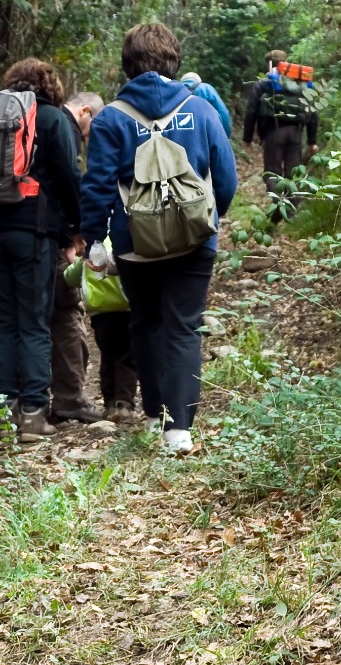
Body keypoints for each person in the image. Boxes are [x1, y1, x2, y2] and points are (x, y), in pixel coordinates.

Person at [81, 22, 237, 456]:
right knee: (184, 328)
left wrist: (95, 240)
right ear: (174, 59)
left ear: (127, 65)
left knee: (145, 324)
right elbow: (225, 178)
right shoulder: (201, 110)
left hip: (134, 241)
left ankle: (153, 415)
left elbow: (95, 186)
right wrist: (208, 220)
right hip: (193, 241)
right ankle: (179, 432)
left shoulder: (112, 118)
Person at [0, 58, 82, 439]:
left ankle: (3, 410)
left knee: (3, 322)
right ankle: (32, 415)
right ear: (50, 86)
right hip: (31, 230)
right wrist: (76, 227)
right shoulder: (51, 118)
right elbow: (70, 177)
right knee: (34, 322)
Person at [49, 92, 105, 424]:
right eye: (89, 131)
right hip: (50, 238)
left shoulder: (29, 122)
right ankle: (70, 397)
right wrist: (76, 232)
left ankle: (19, 401)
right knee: (67, 311)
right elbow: (68, 182)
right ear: (84, 111)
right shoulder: (61, 127)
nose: (86, 141)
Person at [63, 244, 137, 421]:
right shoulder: (123, 244)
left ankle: (109, 403)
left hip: (100, 311)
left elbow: (70, 278)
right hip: (126, 308)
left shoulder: (89, 249)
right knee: (126, 358)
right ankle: (124, 403)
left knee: (108, 358)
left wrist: (75, 260)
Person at [242, 49, 318, 216]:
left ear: (268, 63)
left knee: (272, 172)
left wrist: (247, 138)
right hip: (296, 132)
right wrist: (312, 140)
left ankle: (279, 210)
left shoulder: (265, 82)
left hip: (273, 132)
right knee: (293, 173)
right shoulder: (302, 83)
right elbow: (312, 112)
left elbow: (251, 110)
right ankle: (291, 213)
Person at [181, 71, 232, 137]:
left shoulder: (178, 93)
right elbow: (223, 113)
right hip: (209, 136)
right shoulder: (206, 89)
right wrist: (225, 135)